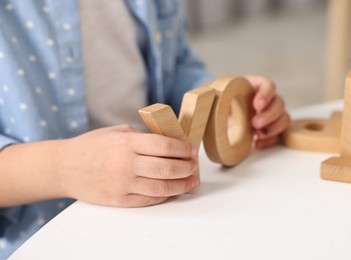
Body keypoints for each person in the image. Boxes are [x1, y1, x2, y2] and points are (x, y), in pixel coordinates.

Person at [0, 0, 290, 257]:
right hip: (38, 236)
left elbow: (173, 64)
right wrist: (62, 167)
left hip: (159, 214)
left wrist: (222, 103)